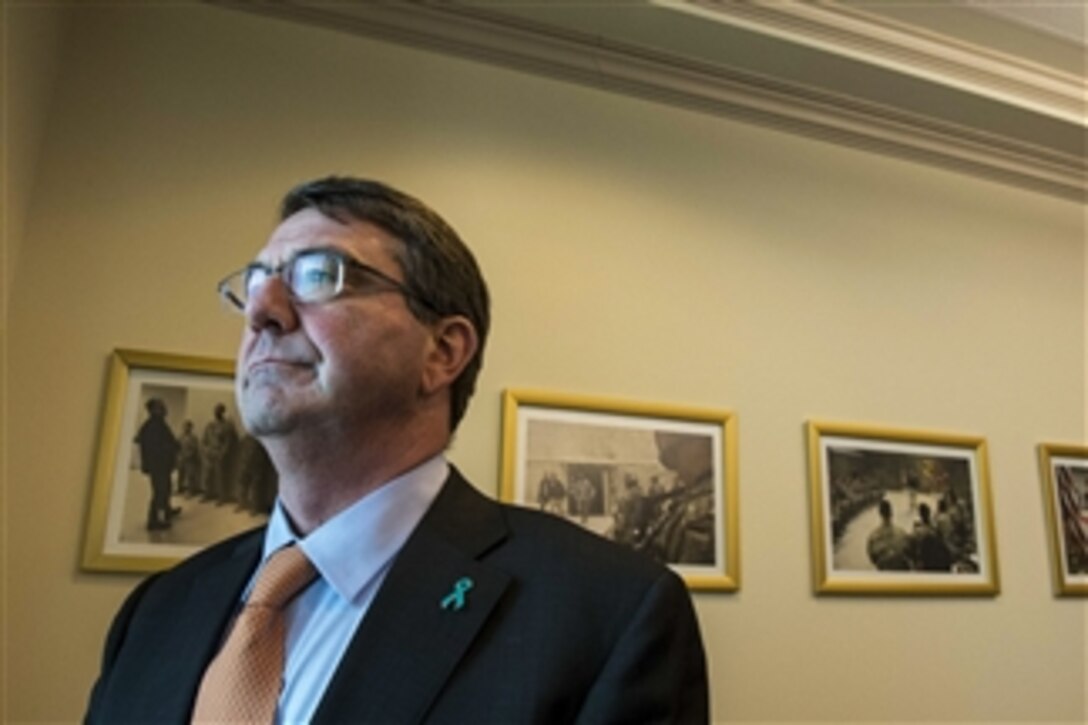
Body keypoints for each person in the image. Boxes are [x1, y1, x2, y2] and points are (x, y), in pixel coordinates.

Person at [86, 176, 709, 723]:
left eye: (318, 275)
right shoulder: (158, 609)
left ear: (442, 353)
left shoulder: (607, 613)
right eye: (254, 283)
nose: (262, 312)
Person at [133, 397, 180, 531]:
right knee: (160, 491)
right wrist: (173, 447)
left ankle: (167, 510)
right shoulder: (152, 426)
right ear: (153, 410)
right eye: (161, 406)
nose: (165, 408)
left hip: (162, 465)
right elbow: (157, 447)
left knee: (166, 488)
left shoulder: (159, 423)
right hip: (158, 466)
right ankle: (154, 521)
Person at [199, 403, 238, 503]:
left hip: (220, 454)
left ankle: (222, 497)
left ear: (222, 412)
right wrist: (206, 450)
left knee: (220, 476)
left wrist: (222, 454)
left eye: (219, 411)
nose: (216, 413)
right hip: (209, 453)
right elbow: (204, 440)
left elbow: (228, 443)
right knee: (207, 475)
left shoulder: (227, 426)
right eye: (215, 411)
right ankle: (207, 494)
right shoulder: (210, 425)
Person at [866, 498, 911, 570]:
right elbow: (908, 552)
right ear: (891, 512)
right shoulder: (902, 533)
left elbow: (873, 559)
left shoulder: (873, 537)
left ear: (880, 513)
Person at [175, 419, 201, 496]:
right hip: (182, 458)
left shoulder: (193, 438)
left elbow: (194, 448)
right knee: (180, 474)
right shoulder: (180, 437)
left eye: (188, 427)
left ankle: (191, 491)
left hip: (190, 459)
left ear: (191, 428)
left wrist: (189, 455)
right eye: (185, 427)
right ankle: (180, 489)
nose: (186, 428)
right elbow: (177, 446)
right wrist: (179, 456)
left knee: (190, 475)